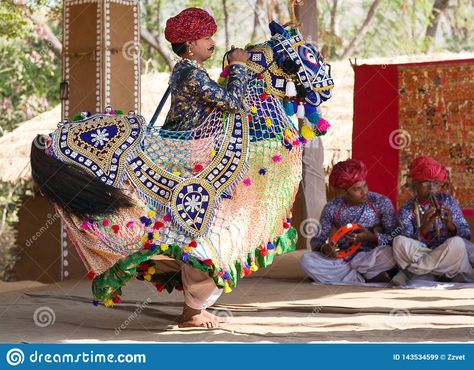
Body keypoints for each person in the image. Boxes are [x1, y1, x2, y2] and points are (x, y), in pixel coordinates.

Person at [152, 7, 249, 328]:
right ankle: (192, 311)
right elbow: (234, 103)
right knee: (205, 231)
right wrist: (237, 67)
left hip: (190, 158)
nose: (213, 41)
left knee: (203, 230)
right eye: (207, 36)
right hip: (191, 163)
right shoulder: (190, 73)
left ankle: (195, 307)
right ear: (191, 43)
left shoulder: (187, 71)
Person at [299, 159, 398, 284]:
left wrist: (372, 237)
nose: (364, 192)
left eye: (365, 185)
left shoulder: (381, 202)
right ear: (343, 191)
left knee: (392, 253)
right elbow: (317, 240)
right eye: (357, 189)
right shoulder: (332, 207)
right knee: (306, 260)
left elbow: (395, 237)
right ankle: (365, 278)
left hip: (370, 257)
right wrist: (326, 249)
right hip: (342, 260)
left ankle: (345, 277)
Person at [392, 156, 474, 285]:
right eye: (426, 182)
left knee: (457, 243)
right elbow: (407, 239)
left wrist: (450, 225)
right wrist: (424, 227)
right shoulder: (407, 209)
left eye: (435, 183)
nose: (431, 188)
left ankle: (412, 272)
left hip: (449, 256)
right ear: (415, 184)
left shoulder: (448, 201)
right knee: (398, 242)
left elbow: (466, 235)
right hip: (429, 255)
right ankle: (442, 274)